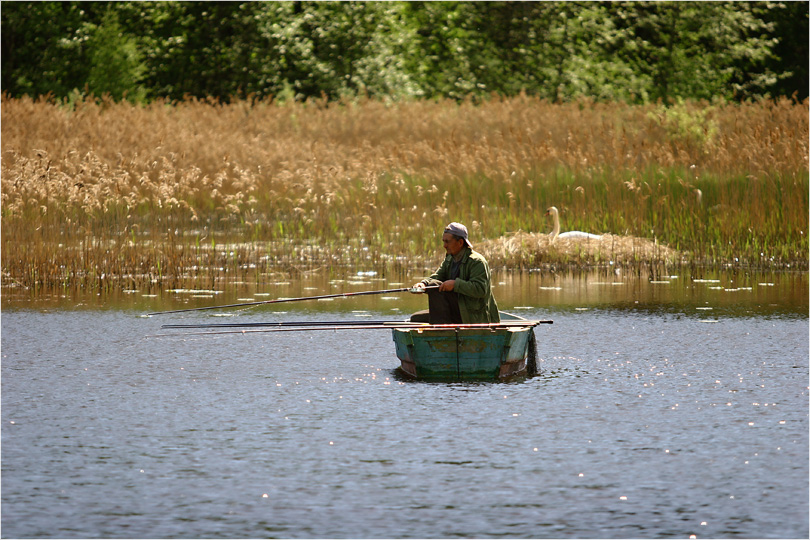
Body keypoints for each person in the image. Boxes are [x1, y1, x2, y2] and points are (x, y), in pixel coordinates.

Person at [410, 222, 500, 324]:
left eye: (447, 242)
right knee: (415, 319)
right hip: (456, 311)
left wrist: (455, 284)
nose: (444, 246)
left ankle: (442, 331)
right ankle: (441, 327)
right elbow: (437, 276)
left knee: (434, 285)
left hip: (473, 315)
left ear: (460, 242)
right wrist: (423, 284)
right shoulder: (450, 258)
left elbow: (480, 289)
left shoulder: (477, 262)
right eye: (443, 241)